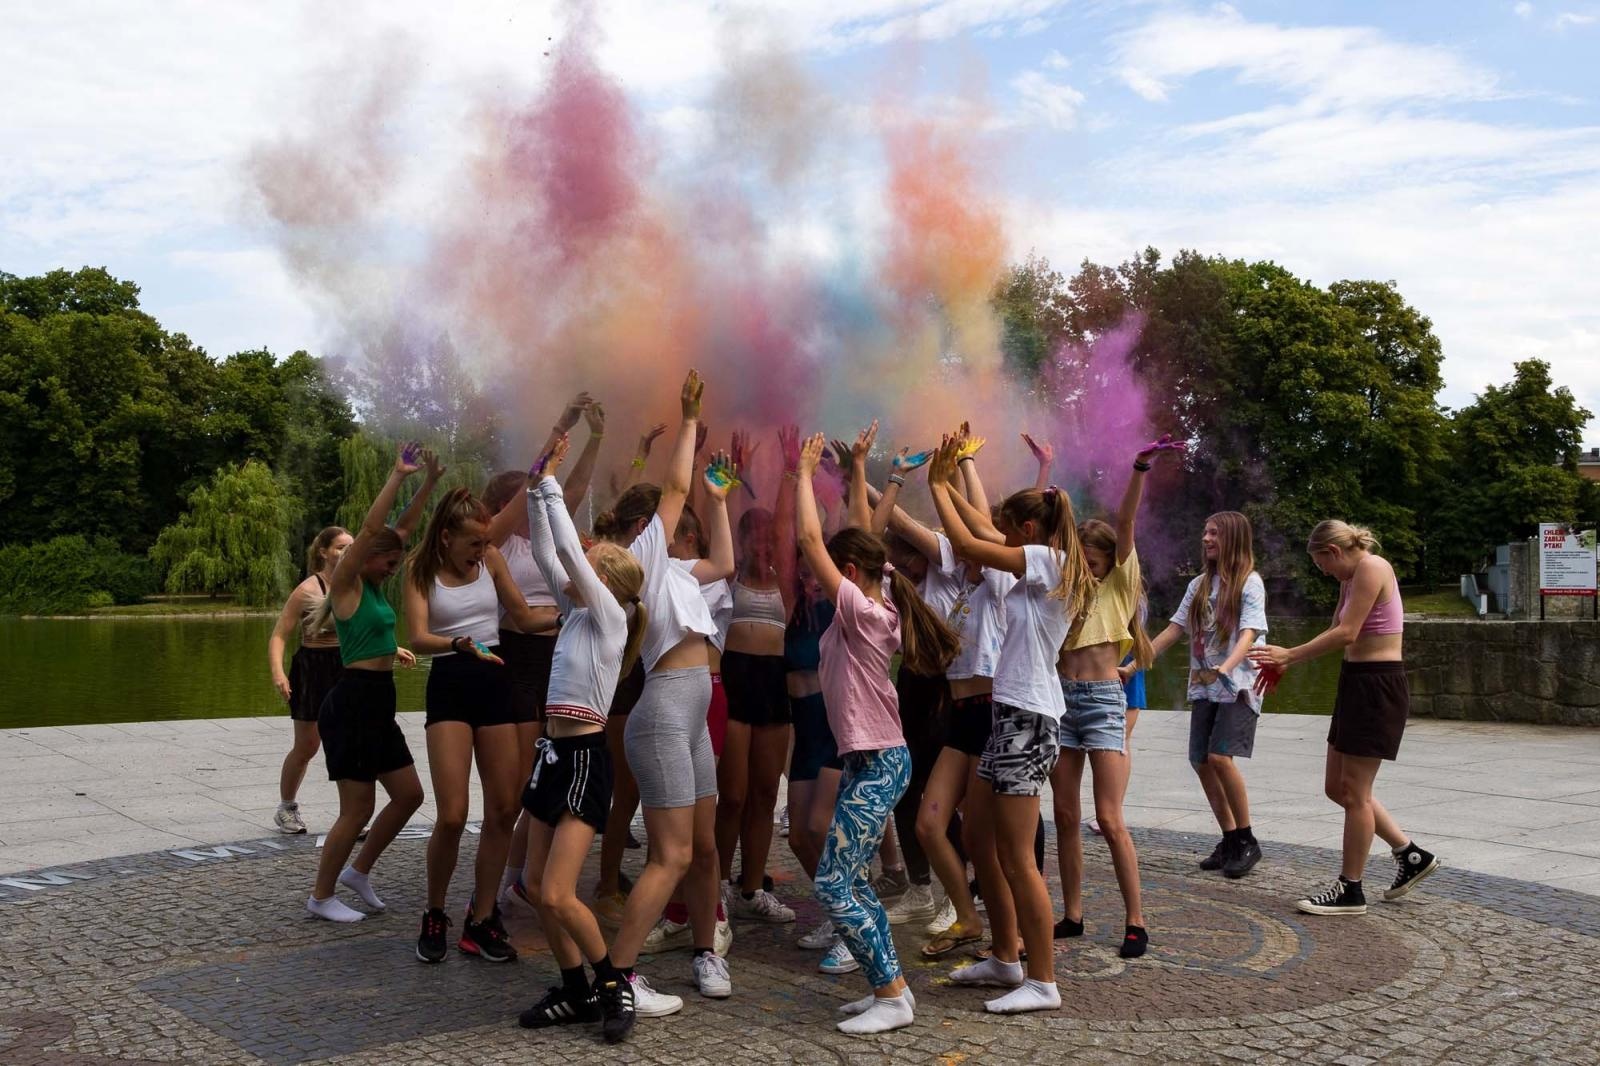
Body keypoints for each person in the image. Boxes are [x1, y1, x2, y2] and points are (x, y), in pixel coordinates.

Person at [793, 432, 960, 1036]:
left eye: (828, 573)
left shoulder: (862, 611)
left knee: (835, 883)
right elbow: (863, 530)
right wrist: (872, 474)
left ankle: (890, 992)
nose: (814, 578)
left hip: (881, 762)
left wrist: (803, 474)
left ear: (851, 573)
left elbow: (813, 539)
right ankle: (893, 988)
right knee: (852, 880)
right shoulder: (878, 591)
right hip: (873, 763)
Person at [926, 432, 1096, 1015]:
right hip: (1011, 712)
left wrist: (935, 485)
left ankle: (1042, 980)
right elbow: (982, 527)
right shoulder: (1044, 557)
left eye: (1010, 525)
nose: (1003, 530)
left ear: (1028, 531)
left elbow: (971, 540)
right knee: (978, 837)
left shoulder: (1051, 561)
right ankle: (1003, 956)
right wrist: (951, 478)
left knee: (1018, 855)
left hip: (1029, 716)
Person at [595, 370, 735, 1009]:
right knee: (672, 854)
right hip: (662, 713)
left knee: (702, 849)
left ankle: (707, 952)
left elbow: (725, 565)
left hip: (693, 709)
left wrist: (722, 500)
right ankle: (617, 975)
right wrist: (686, 420)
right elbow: (676, 486)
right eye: (663, 518)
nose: (675, 523)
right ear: (644, 526)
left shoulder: (674, 568)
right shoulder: (639, 566)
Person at [510, 437, 651, 1043]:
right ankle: (575, 992)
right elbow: (550, 548)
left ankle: (615, 983)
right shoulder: (573, 619)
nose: (572, 569)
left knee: (562, 893)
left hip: (585, 763)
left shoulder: (610, 619)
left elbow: (568, 547)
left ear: (604, 585)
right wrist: (540, 481)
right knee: (537, 888)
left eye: (587, 568)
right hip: (551, 755)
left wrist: (553, 486)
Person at [1249, 520, 1441, 915]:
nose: (1324, 572)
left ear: (1334, 552)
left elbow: (1349, 633)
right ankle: (1410, 854)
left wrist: (1290, 655)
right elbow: (1336, 628)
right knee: (1337, 787)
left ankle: (1350, 889)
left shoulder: (1372, 568)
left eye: (1322, 565)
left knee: (1355, 793)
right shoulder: (1350, 578)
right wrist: (1287, 664)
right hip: (1355, 681)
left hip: (1377, 685)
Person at [405, 482, 556, 964]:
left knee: (503, 808)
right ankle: (434, 913)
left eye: (485, 541)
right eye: (473, 541)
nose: (482, 549)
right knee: (451, 814)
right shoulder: (420, 569)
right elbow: (418, 636)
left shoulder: (491, 562)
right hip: (450, 681)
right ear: (446, 535)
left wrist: (578, 613)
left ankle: (481, 918)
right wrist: (457, 644)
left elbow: (525, 617)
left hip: (495, 682)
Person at [1050, 436, 1178, 960]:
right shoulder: (1066, 586)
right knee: (1062, 815)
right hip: (1060, 698)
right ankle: (1073, 913)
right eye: (1085, 560)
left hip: (1103, 699)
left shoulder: (1120, 584)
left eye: (1097, 560)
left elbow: (1124, 525)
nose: (1090, 567)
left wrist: (1139, 468)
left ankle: (1135, 920)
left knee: (1108, 818)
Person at [486, 394, 604, 910]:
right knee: (515, 789)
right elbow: (538, 484)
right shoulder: (497, 543)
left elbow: (570, 489)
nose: (534, 501)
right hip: (516, 657)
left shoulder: (547, 541)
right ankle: (503, 880)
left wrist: (595, 438)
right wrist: (559, 423)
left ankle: (521, 876)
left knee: (545, 777)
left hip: (555, 657)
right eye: (525, 496)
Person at [303, 443, 428, 923]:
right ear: (363, 557)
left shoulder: (372, 586)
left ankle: (358, 872)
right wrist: (398, 475)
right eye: (388, 562)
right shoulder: (348, 582)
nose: (393, 569)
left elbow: (401, 531)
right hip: (352, 703)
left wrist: (429, 484)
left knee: (409, 795)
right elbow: (376, 531)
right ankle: (320, 896)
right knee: (356, 809)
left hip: (377, 701)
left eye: (397, 564)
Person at [1147, 511, 1268, 880]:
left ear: (1232, 537)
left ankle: (1247, 840)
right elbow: (1173, 630)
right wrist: (1135, 661)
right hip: (1204, 685)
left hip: (1239, 686)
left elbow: (1249, 632)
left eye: (1214, 532)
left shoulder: (1250, 583)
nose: (1206, 538)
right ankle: (1229, 839)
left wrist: (1228, 667)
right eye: (1205, 530)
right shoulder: (1199, 585)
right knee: (1201, 759)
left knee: (1220, 757)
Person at [269, 526, 353, 835]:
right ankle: (286, 808)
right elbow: (280, 634)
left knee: (346, 743)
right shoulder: (308, 589)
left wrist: (391, 647)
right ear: (324, 552)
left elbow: (361, 627)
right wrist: (278, 672)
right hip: (313, 666)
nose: (347, 552)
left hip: (346, 664)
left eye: (351, 547)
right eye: (341, 547)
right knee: (307, 745)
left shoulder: (354, 583)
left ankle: (352, 815)